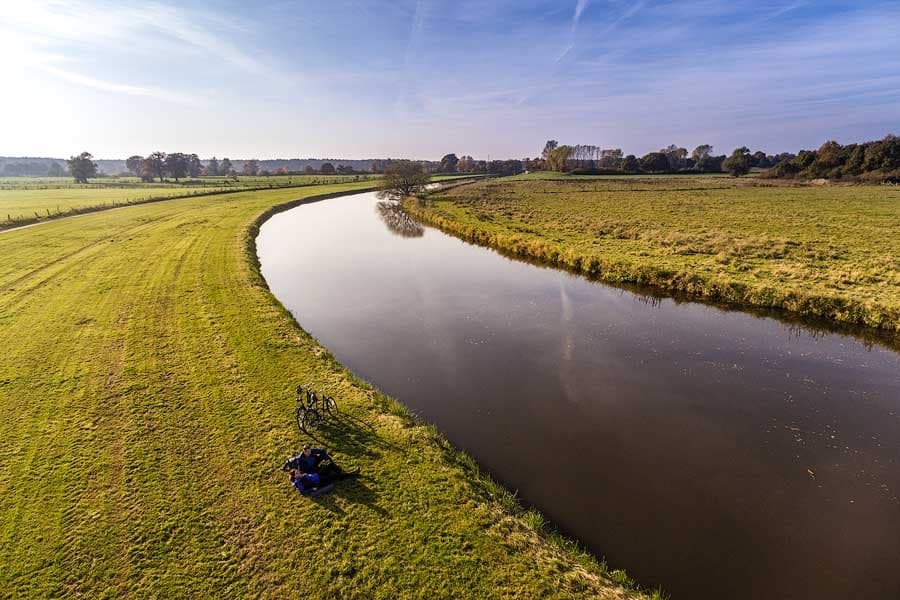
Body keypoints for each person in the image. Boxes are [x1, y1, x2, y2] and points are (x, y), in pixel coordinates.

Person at [289, 462, 359, 495]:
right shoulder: (299, 482)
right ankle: (351, 473)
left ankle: (340, 472)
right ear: (295, 476)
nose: (299, 473)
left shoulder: (300, 475)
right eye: (297, 473)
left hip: (318, 474)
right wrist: (312, 489)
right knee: (334, 476)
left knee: (329, 464)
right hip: (320, 481)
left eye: (298, 471)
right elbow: (303, 491)